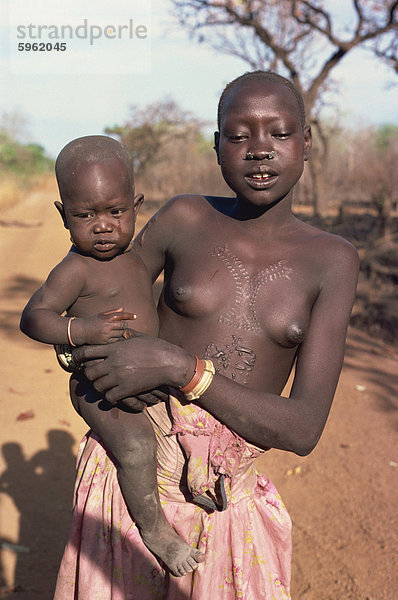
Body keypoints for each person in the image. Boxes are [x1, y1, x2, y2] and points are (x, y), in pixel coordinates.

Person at [54, 72, 359, 599]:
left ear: (306, 142)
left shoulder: (332, 260)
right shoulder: (185, 217)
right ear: (217, 147)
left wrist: (182, 369)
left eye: (278, 134)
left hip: (224, 500)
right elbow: (102, 293)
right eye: (238, 136)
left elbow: (304, 428)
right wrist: (76, 345)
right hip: (132, 482)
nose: (259, 150)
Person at [20, 135, 204, 578]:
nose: (102, 226)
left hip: (144, 378)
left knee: (186, 431)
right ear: (64, 217)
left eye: (115, 212)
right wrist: (81, 331)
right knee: (138, 447)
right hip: (95, 385)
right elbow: (33, 317)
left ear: (135, 206)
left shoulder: (137, 257)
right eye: (85, 215)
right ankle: (155, 530)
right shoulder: (74, 269)